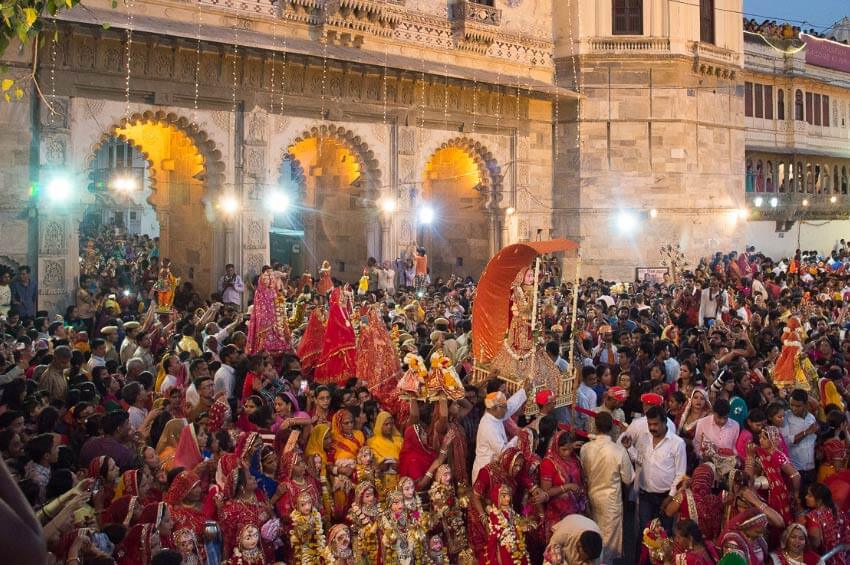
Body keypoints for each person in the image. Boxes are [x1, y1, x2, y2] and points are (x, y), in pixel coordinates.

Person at [622, 405, 686, 533]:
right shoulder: (645, 439)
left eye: (655, 424)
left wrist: (670, 497)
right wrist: (629, 448)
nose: (652, 428)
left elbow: (680, 474)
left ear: (664, 421)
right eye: (649, 424)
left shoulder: (677, 443)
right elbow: (641, 460)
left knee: (663, 533)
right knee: (645, 532)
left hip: (665, 497)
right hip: (645, 495)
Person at [580, 412, 634, 562]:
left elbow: (583, 473)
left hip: (591, 497)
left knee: (591, 536)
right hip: (610, 501)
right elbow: (628, 479)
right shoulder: (618, 450)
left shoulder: (585, 448)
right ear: (612, 428)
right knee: (607, 542)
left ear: (595, 427)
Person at [471, 388, 527, 483]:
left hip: (494, 467)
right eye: (504, 407)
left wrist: (523, 391)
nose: (507, 409)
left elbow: (511, 406)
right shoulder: (488, 426)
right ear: (494, 408)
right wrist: (519, 436)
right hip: (485, 470)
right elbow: (503, 452)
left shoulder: (495, 415)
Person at [540, 429, 588, 533]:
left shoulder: (574, 458)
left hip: (576, 509)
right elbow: (545, 492)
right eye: (564, 449)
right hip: (558, 513)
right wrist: (567, 487)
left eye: (570, 449)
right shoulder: (548, 463)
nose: (567, 453)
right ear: (556, 446)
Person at [246, 266, 291, 355]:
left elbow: (278, 300)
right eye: (267, 277)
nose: (269, 279)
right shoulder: (260, 292)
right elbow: (260, 309)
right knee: (265, 338)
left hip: (274, 319)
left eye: (270, 277)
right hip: (265, 321)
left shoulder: (273, 291)